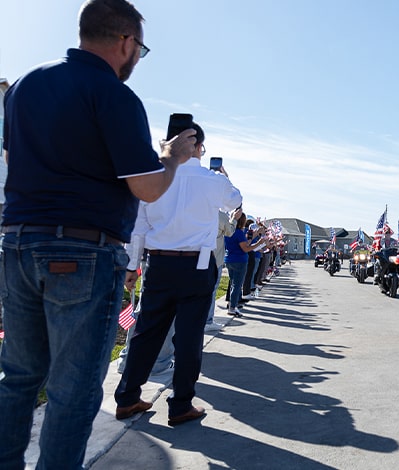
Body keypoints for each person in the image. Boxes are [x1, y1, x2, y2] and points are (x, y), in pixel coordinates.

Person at [0, 1, 196, 466]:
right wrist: (170, 157)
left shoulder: (25, 85)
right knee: (74, 388)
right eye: (140, 50)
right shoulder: (113, 95)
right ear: (126, 41)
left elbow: (13, 160)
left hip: (18, 241)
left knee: (19, 377)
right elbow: (147, 187)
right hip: (82, 250)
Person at [114, 121, 242, 427]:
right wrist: (223, 176)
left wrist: (133, 266)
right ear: (199, 147)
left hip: (158, 264)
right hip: (196, 266)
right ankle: (180, 403)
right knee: (188, 338)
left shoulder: (155, 177)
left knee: (146, 333)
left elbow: (139, 227)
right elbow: (235, 201)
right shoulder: (211, 180)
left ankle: (128, 396)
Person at [223, 211, 266, 317]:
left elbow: (245, 243)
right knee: (237, 285)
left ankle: (232, 304)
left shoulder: (228, 232)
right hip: (239, 260)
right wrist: (258, 243)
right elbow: (246, 248)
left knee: (233, 283)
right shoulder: (238, 233)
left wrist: (252, 239)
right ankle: (232, 307)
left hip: (229, 259)